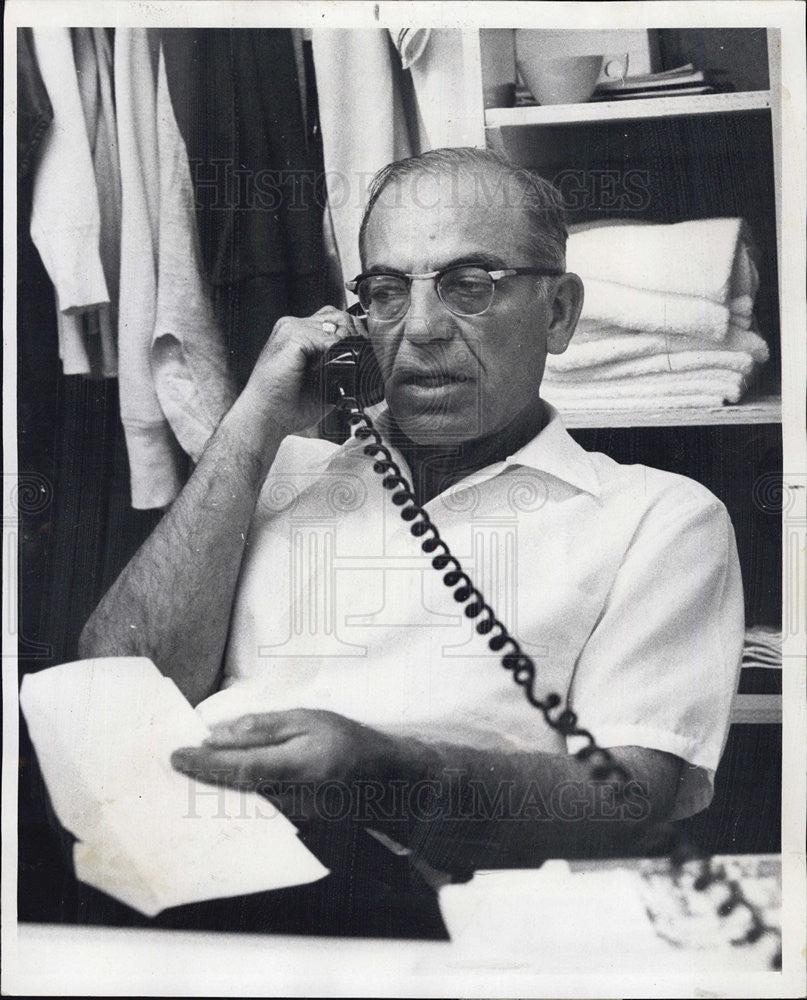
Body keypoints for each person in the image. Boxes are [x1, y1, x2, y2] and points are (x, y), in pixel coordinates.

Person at [79, 148, 744, 932]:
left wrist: (387, 776)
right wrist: (252, 424)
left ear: (558, 313)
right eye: (387, 292)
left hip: (429, 911)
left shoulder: (656, 518)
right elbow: (108, 699)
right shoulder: (275, 474)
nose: (420, 329)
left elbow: (634, 798)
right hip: (174, 878)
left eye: (470, 286)